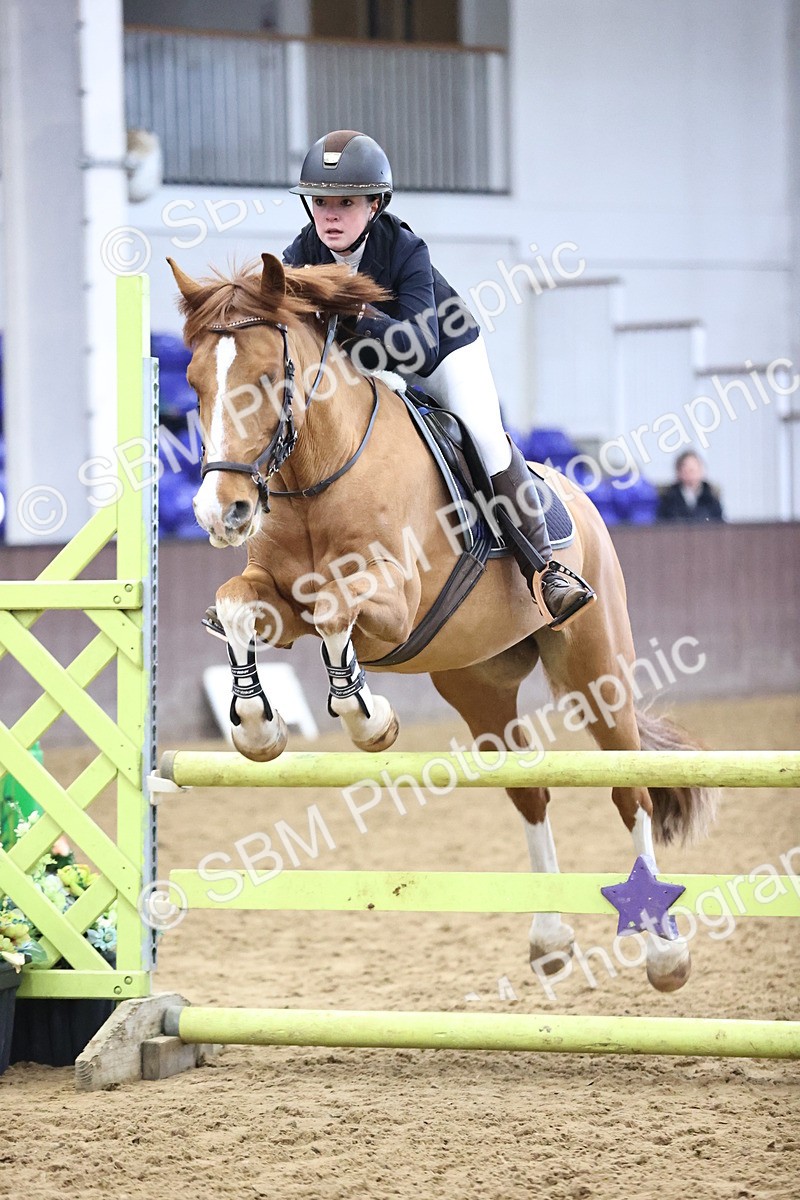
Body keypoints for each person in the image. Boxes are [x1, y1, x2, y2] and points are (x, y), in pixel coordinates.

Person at [283, 130, 595, 630]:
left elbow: (417, 348)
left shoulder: (406, 249)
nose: (331, 214)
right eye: (320, 202)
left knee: (484, 437)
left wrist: (354, 313)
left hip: (443, 353)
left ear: (375, 204)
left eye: (346, 201)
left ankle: (546, 570)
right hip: (361, 366)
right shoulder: (300, 253)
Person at [657, 451, 724, 523]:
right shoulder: (668, 497)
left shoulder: (711, 496)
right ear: (678, 472)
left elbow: (719, 525)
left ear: (701, 471)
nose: (690, 475)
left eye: (692, 470)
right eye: (686, 471)